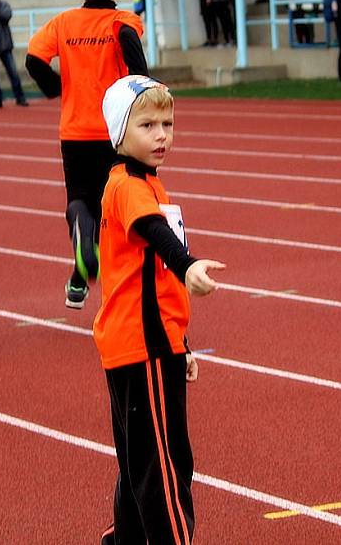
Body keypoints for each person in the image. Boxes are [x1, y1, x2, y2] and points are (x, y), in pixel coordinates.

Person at [96, 75, 224, 545]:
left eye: (167, 123)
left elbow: (151, 276)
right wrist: (188, 264)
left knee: (141, 456)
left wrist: (181, 342)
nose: (162, 134)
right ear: (119, 132)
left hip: (148, 340)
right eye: (147, 124)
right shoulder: (129, 186)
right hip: (141, 342)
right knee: (166, 464)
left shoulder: (147, 183)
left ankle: (122, 539)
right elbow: (155, 233)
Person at [25, 0, 148, 309]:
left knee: (80, 200)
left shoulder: (63, 23)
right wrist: (139, 90)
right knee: (114, 205)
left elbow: (33, 58)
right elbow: (135, 60)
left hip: (75, 132)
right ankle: (112, 281)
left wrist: (54, 89)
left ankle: (80, 273)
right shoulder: (123, 22)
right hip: (116, 131)